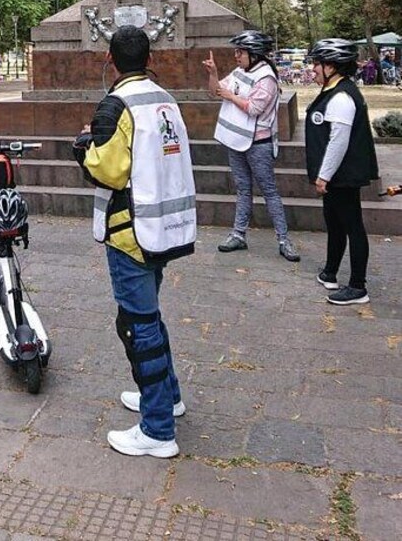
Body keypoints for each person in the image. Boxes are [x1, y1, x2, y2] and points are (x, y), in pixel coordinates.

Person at [72, 26, 197, 459]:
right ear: (148, 57)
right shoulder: (164, 98)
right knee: (149, 316)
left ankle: (157, 429)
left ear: (109, 57)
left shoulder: (117, 105)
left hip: (131, 233)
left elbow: (106, 170)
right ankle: (167, 397)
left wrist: (84, 145)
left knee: (137, 325)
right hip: (163, 229)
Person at [203, 31, 300, 262]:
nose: (236, 56)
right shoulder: (240, 72)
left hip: (258, 144)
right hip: (236, 142)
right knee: (243, 189)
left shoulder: (266, 78)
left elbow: (254, 108)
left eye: (241, 52)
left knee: (269, 191)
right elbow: (214, 92)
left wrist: (229, 95)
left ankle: (284, 240)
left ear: (254, 54)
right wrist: (214, 74)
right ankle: (238, 234)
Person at [306, 38, 379, 305]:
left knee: (352, 227)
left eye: (317, 63)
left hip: (343, 176)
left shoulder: (342, 97)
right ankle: (330, 272)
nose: (313, 68)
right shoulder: (333, 90)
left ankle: (358, 287)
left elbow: (338, 141)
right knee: (335, 224)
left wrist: (324, 175)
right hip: (337, 175)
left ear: (332, 66)